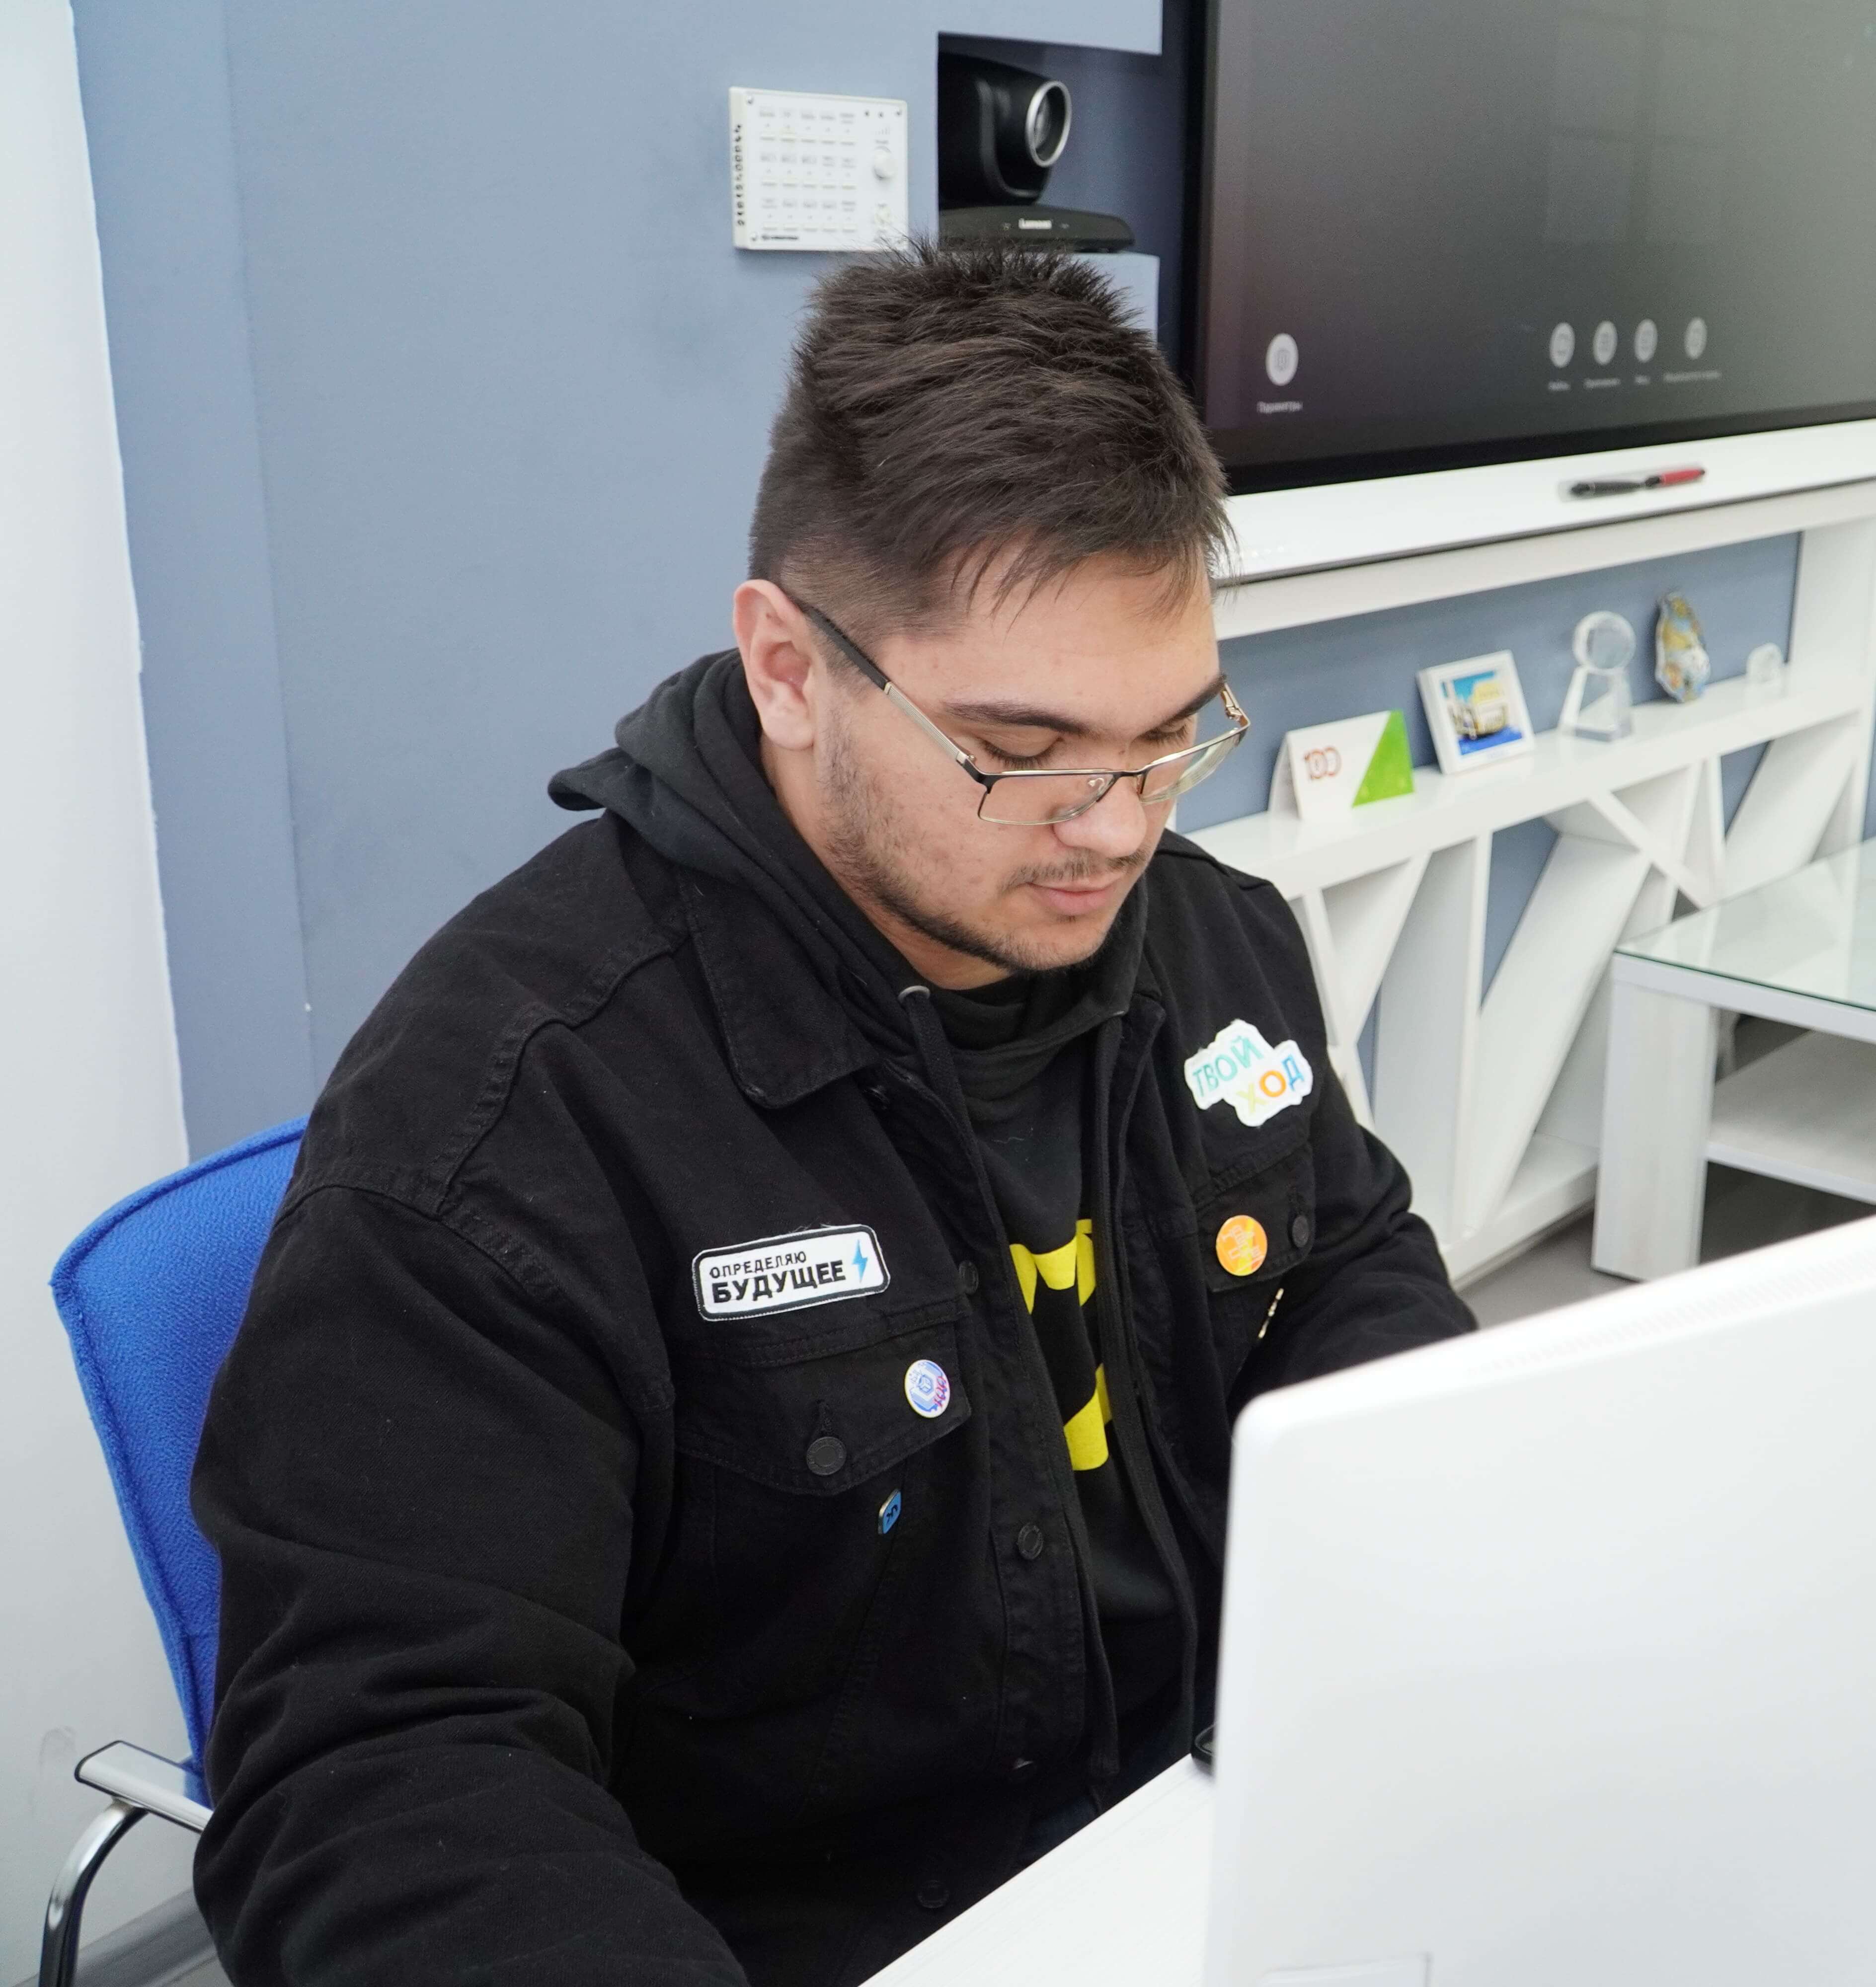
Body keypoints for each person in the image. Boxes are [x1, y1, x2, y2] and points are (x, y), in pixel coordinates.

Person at [190, 246, 1474, 1987]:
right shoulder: (511, 1123)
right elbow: (383, 1784)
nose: (1117, 827)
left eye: (1173, 736)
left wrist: (1412, 1571)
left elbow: (1347, 1263)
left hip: (1209, 1836)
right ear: (789, 668)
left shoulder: (1212, 937)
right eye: (1021, 751)